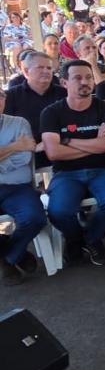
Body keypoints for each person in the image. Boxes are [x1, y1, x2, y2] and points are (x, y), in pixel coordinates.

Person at [41, 60, 105, 267]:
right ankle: (78, 238)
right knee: (59, 211)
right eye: (77, 78)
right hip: (66, 174)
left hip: (103, 170)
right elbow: (53, 152)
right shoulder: (51, 113)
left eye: (88, 77)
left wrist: (68, 140)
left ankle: (88, 238)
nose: (85, 82)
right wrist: (94, 142)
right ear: (64, 82)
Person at [0, 89, 46, 286]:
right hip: (12, 178)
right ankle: (14, 253)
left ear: (3, 100)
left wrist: (18, 150)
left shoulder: (19, 123)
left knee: (34, 218)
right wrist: (12, 147)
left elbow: (25, 157)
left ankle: (8, 258)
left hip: (16, 187)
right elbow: (17, 153)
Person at [3, 52, 67, 168]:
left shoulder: (64, 94)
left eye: (49, 68)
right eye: (40, 67)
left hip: (60, 150)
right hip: (22, 154)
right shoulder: (11, 97)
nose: (46, 71)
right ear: (26, 71)